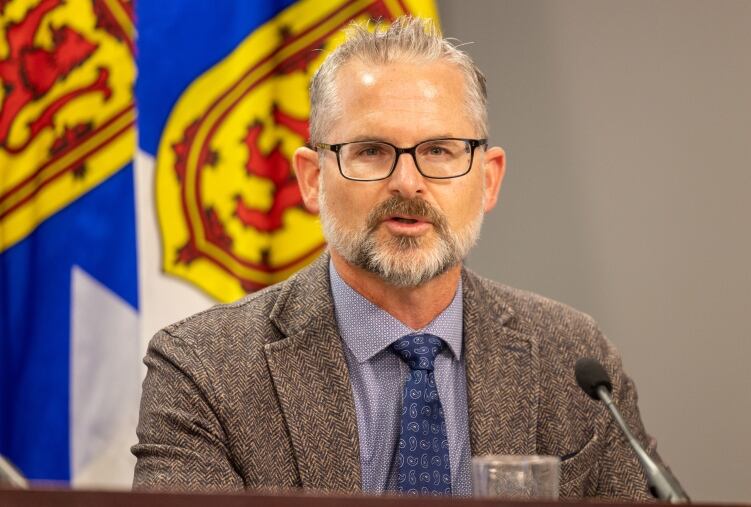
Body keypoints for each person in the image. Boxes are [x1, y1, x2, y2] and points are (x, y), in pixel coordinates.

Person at [132, 17, 662, 499]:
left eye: (439, 151)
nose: (407, 182)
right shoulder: (205, 368)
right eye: (370, 151)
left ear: (488, 178)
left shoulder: (573, 360)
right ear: (313, 179)